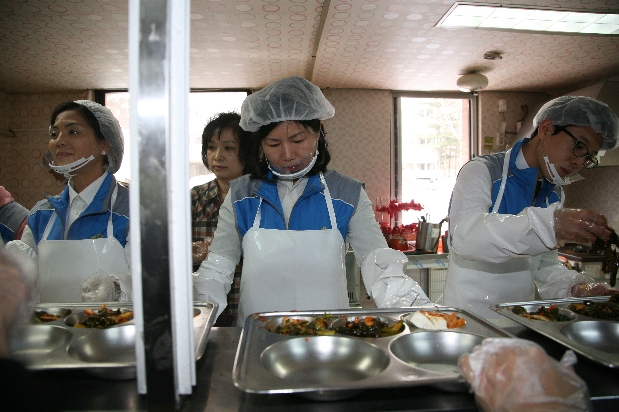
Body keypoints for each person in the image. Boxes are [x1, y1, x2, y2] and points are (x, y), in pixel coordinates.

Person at [193, 76, 431, 324]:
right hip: (258, 340)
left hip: (327, 339)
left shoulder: (347, 194)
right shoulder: (241, 194)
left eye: (298, 140)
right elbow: (219, 267)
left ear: (318, 132)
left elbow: (379, 265)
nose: (287, 154)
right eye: (274, 143)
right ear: (261, 144)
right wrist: (197, 315)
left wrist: (419, 313)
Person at [444, 95, 619, 319]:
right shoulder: (482, 171)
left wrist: (575, 287)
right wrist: (552, 225)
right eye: (579, 146)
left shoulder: (554, 193)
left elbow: (544, 265)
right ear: (546, 129)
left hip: (520, 320)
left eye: (589, 157)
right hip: (468, 321)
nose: (579, 162)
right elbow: (466, 238)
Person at [6, 100, 130, 303]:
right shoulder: (41, 214)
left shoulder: (131, 210)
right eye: (54, 134)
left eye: (73, 132)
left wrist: (116, 288)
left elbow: (151, 280)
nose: (59, 141)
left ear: (105, 145)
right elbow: (25, 286)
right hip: (55, 330)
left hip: (115, 329)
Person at [191, 112, 250, 324]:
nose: (217, 156)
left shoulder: (260, 199)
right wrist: (194, 252)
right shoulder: (192, 199)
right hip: (203, 312)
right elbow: (169, 256)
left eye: (228, 148)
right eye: (211, 147)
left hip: (251, 311)